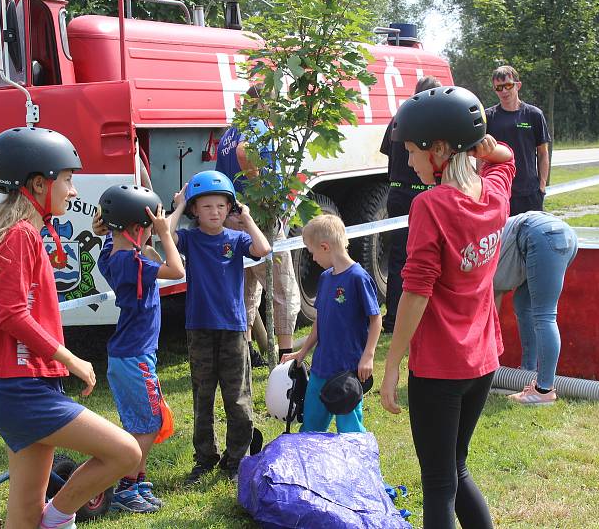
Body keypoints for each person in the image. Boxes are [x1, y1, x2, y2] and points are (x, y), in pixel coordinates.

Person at [0, 127, 141, 529]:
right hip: (20, 389)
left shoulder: (27, 233)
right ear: (37, 183)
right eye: (66, 178)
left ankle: (48, 522)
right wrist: (72, 359)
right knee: (126, 453)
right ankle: (61, 520)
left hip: (24, 386)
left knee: (25, 516)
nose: (73, 190)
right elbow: (13, 315)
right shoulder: (19, 236)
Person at [379, 86, 515, 529]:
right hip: (482, 359)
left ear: (439, 149)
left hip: (440, 367)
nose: (410, 162)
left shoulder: (430, 204)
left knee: (438, 481)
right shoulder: (493, 192)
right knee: (456, 468)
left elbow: (416, 290)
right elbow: (506, 158)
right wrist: (484, 146)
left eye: (414, 152)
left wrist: (394, 361)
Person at [168, 170, 271, 484]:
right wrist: (178, 205)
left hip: (234, 328)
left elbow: (263, 249)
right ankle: (205, 457)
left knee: (237, 395)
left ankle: (237, 458)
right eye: (207, 206)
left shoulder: (237, 239)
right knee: (203, 395)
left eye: (222, 206)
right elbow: (165, 235)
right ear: (195, 211)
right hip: (199, 327)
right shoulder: (189, 238)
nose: (215, 212)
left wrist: (247, 219)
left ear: (231, 209)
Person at [94, 185, 185, 513]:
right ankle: (126, 487)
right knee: (149, 422)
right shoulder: (134, 263)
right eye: (149, 229)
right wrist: (166, 236)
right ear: (136, 230)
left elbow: (118, 237)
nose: (153, 234)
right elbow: (177, 271)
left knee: (141, 421)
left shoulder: (113, 257)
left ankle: (137, 479)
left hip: (127, 355)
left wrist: (178, 207)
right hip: (135, 357)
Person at [216, 84, 301, 366]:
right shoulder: (256, 127)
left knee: (247, 287)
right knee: (283, 287)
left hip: (235, 219)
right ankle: (286, 355)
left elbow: (222, 178)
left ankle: (247, 351)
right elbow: (245, 152)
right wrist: (260, 193)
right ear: (266, 105)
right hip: (259, 220)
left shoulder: (229, 133)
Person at [280, 214, 381, 433]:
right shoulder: (325, 278)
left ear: (325, 247)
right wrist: (303, 351)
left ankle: (356, 466)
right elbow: (320, 320)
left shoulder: (358, 278)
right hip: (320, 367)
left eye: (311, 251)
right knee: (311, 427)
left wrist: (368, 355)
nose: (313, 258)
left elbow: (375, 319)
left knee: (349, 429)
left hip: (348, 371)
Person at [493, 211, 578, 405]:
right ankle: (528, 372)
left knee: (544, 315)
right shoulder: (492, 237)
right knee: (524, 305)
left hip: (540, 235)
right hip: (564, 235)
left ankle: (543, 390)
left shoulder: (484, 251)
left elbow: (491, 304)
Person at [380, 75, 442, 333]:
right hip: (420, 192)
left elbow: (387, 153)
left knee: (398, 258)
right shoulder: (430, 121)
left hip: (396, 193)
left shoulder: (398, 117)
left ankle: (393, 317)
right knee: (423, 257)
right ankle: (420, 315)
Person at [484, 65, 551, 216]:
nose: (504, 91)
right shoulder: (488, 117)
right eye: (499, 88)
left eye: (508, 85)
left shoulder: (534, 115)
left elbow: (543, 153)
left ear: (518, 85)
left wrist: (541, 186)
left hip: (530, 193)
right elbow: (482, 156)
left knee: (531, 237)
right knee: (503, 239)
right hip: (499, 192)